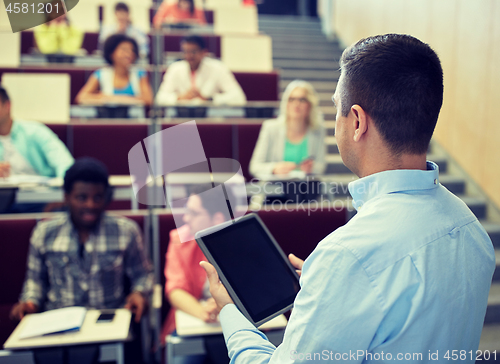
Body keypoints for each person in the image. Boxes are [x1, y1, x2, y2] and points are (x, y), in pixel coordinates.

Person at [200, 34, 496, 363]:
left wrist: (230, 312)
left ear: (356, 122)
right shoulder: (472, 229)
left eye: (335, 107)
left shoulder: (348, 256)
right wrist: (325, 294)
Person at [10, 157, 153, 320]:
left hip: (108, 319)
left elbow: (143, 274)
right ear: (66, 197)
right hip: (58, 321)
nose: (90, 205)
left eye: (98, 197)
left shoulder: (126, 230)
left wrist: (139, 293)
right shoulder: (44, 232)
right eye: (82, 197)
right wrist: (30, 302)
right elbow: (34, 281)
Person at [163, 184, 235, 364]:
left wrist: (224, 305)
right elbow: (175, 290)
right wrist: (204, 311)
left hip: (236, 324)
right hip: (193, 321)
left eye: (194, 213)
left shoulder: (243, 240)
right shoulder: (179, 238)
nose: (186, 218)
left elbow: (256, 288)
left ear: (217, 218)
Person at [249, 80, 325, 177]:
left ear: (310, 104)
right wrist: (274, 168)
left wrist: (311, 168)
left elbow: (321, 166)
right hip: (275, 187)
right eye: (291, 99)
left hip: (305, 187)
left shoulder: (318, 129)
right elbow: (254, 167)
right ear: (286, 103)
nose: (296, 104)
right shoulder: (270, 128)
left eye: (302, 100)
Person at [0, 86, 74, 179]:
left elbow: (63, 162)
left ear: (7, 105)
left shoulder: (34, 131)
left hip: (41, 190)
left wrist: (65, 185)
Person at [155, 35, 246, 106]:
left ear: (204, 52)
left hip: (210, 122)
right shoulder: (175, 69)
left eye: (193, 52)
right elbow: (160, 98)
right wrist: (180, 98)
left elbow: (238, 98)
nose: (189, 56)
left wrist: (208, 99)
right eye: (186, 51)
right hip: (181, 121)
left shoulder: (218, 68)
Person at [75, 34, 153, 106]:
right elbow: (81, 98)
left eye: (132, 50)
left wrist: (113, 98)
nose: (129, 54)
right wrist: (103, 98)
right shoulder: (101, 74)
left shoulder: (140, 74)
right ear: (111, 52)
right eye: (124, 50)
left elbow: (148, 99)